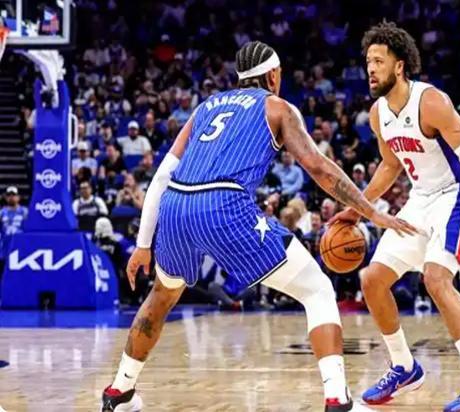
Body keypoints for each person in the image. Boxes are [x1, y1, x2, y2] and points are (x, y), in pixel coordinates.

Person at [101, 40, 416, 412]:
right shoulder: (277, 107)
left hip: (175, 206)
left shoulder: (206, 107)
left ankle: (119, 392)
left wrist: (143, 244)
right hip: (223, 205)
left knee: (161, 296)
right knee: (317, 290)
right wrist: (371, 211)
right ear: (273, 75)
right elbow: (319, 168)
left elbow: (161, 176)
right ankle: (337, 400)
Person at [330, 22, 460, 411]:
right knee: (372, 279)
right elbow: (390, 167)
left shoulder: (430, 101)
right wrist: (358, 209)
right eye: (368, 62)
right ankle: (404, 367)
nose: (370, 69)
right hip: (420, 200)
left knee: (436, 279)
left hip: (455, 196)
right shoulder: (378, 114)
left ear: (400, 65)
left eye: (378, 61)